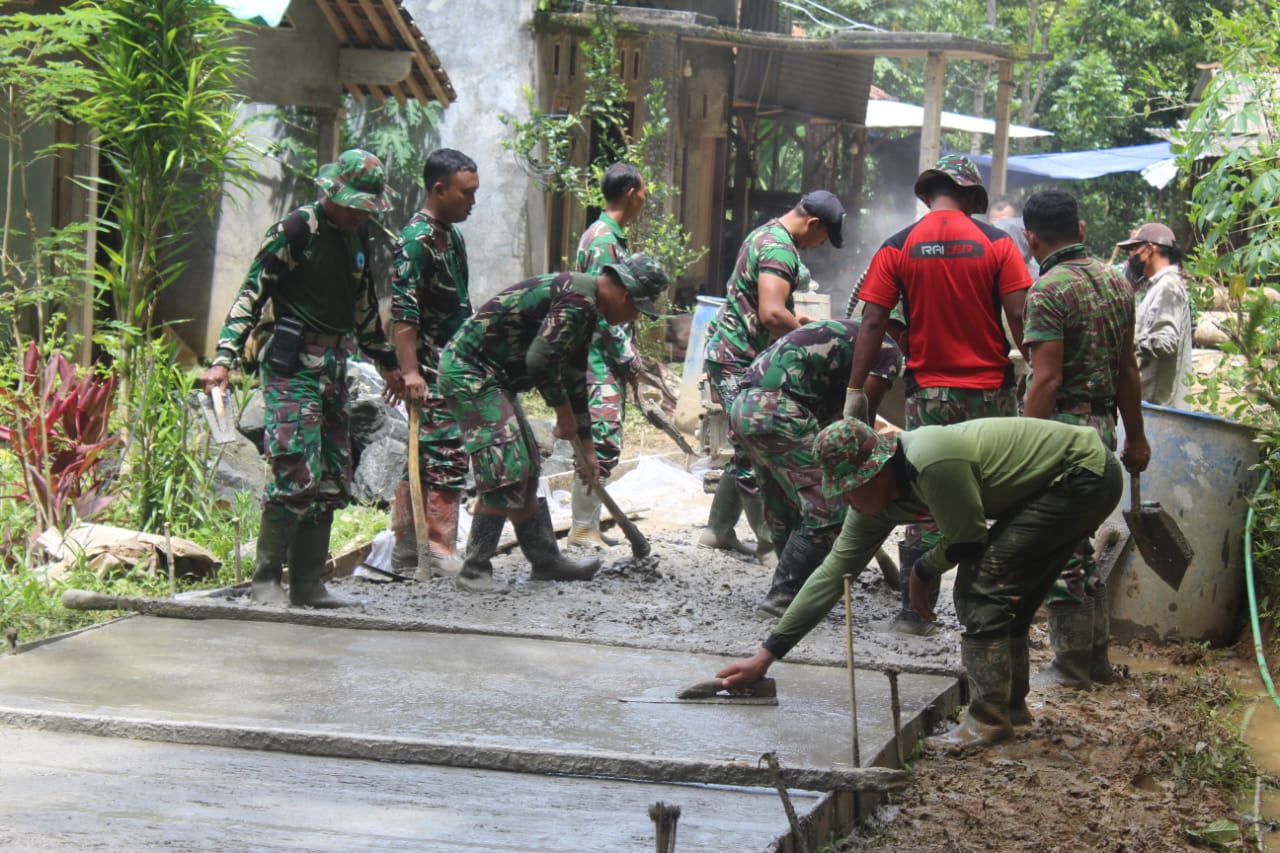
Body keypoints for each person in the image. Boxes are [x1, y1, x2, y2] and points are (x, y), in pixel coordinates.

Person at [716, 417, 1126, 751]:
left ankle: (988, 721)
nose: (847, 501)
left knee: (980, 588)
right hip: (1060, 482)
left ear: (875, 471)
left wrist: (922, 570)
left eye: (849, 490)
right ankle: (1010, 710)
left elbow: (967, 539)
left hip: (1081, 476)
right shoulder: (873, 501)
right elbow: (830, 576)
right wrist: (765, 656)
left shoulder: (931, 461)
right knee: (1007, 594)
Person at [201, 149, 405, 607]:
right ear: (333, 192)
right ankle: (266, 579)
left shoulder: (356, 237)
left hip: (336, 370)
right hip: (292, 369)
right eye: (355, 205)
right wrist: (223, 359)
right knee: (295, 472)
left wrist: (389, 362)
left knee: (332, 478)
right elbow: (250, 294)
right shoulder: (295, 231)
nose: (360, 214)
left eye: (366, 208)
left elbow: (365, 309)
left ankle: (308, 583)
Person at [843, 154, 1033, 634]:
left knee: (925, 494)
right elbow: (1020, 316)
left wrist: (853, 392)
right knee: (993, 498)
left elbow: (871, 321)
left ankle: (914, 612)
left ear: (927, 196)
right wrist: (1036, 371)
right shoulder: (998, 244)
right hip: (991, 393)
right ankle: (989, 616)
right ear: (972, 198)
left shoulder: (897, 246)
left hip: (928, 394)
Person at [439, 253, 670, 593]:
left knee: (528, 466)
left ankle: (546, 561)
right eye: (637, 309)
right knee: (507, 467)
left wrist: (588, 450)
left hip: (496, 379)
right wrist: (562, 414)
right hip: (470, 372)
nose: (633, 317)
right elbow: (540, 360)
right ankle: (474, 570)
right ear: (626, 295)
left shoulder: (588, 308)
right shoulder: (579, 299)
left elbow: (574, 376)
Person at [1020, 189, 1151, 689]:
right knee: (1081, 546)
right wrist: (1135, 439)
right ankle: (1094, 661)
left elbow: (1046, 380)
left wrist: (1024, 445)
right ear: (1080, 230)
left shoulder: (1049, 290)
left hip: (1063, 434)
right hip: (1103, 429)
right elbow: (1127, 370)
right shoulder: (1117, 284)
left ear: (1031, 238)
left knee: (1060, 548)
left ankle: (1071, 665)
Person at [700, 190, 846, 567]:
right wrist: (805, 338)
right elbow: (770, 313)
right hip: (737, 358)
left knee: (743, 441)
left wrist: (799, 323)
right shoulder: (780, 249)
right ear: (813, 224)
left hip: (738, 355)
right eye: (823, 237)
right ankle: (770, 546)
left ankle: (717, 530)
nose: (819, 246)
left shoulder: (765, 234)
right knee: (755, 445)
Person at [729, 319, 901, 617]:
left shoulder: (846, 333)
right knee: (831, 507)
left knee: (783, 507)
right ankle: (784, 598)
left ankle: (794, 591)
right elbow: (859, 423)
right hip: (780, 411)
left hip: (744, 407)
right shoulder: (887, 347)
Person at [389, 148, 480, 580]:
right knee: (441, 453)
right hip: (428, 365)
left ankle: (414, 549)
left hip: (453, 362)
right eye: (466, 194)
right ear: (439, 189)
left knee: (434, 451)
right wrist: (409, 371)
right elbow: (404, 311)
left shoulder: (451, 236)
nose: (472, 203)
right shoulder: (415, 240)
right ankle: (433, 549)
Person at [569, 163, 647, 549]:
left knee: (603, 439)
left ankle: (590, 525)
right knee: (598, 440)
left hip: (603, 356)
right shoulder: (604, 240)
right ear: (632, 192)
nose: (645, 201)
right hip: (597, 356)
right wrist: (628, 356)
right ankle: (582, 528)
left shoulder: (607, 235)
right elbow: (607, 305)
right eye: (644, 193)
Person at [1117, 223, 1193, 407]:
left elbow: (1166, 343)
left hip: (1160, 407)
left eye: (1135, 248)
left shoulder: (1167, 288)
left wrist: (1125, 341)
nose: (1132, 255)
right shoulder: (1158, 287)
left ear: (1149, 249)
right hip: (1151, 404)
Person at [987, 194, 1038, 280]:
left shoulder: (1037, 271)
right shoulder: (985, 267)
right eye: (994, 224)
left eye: (1005, 223)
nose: (997, 230)